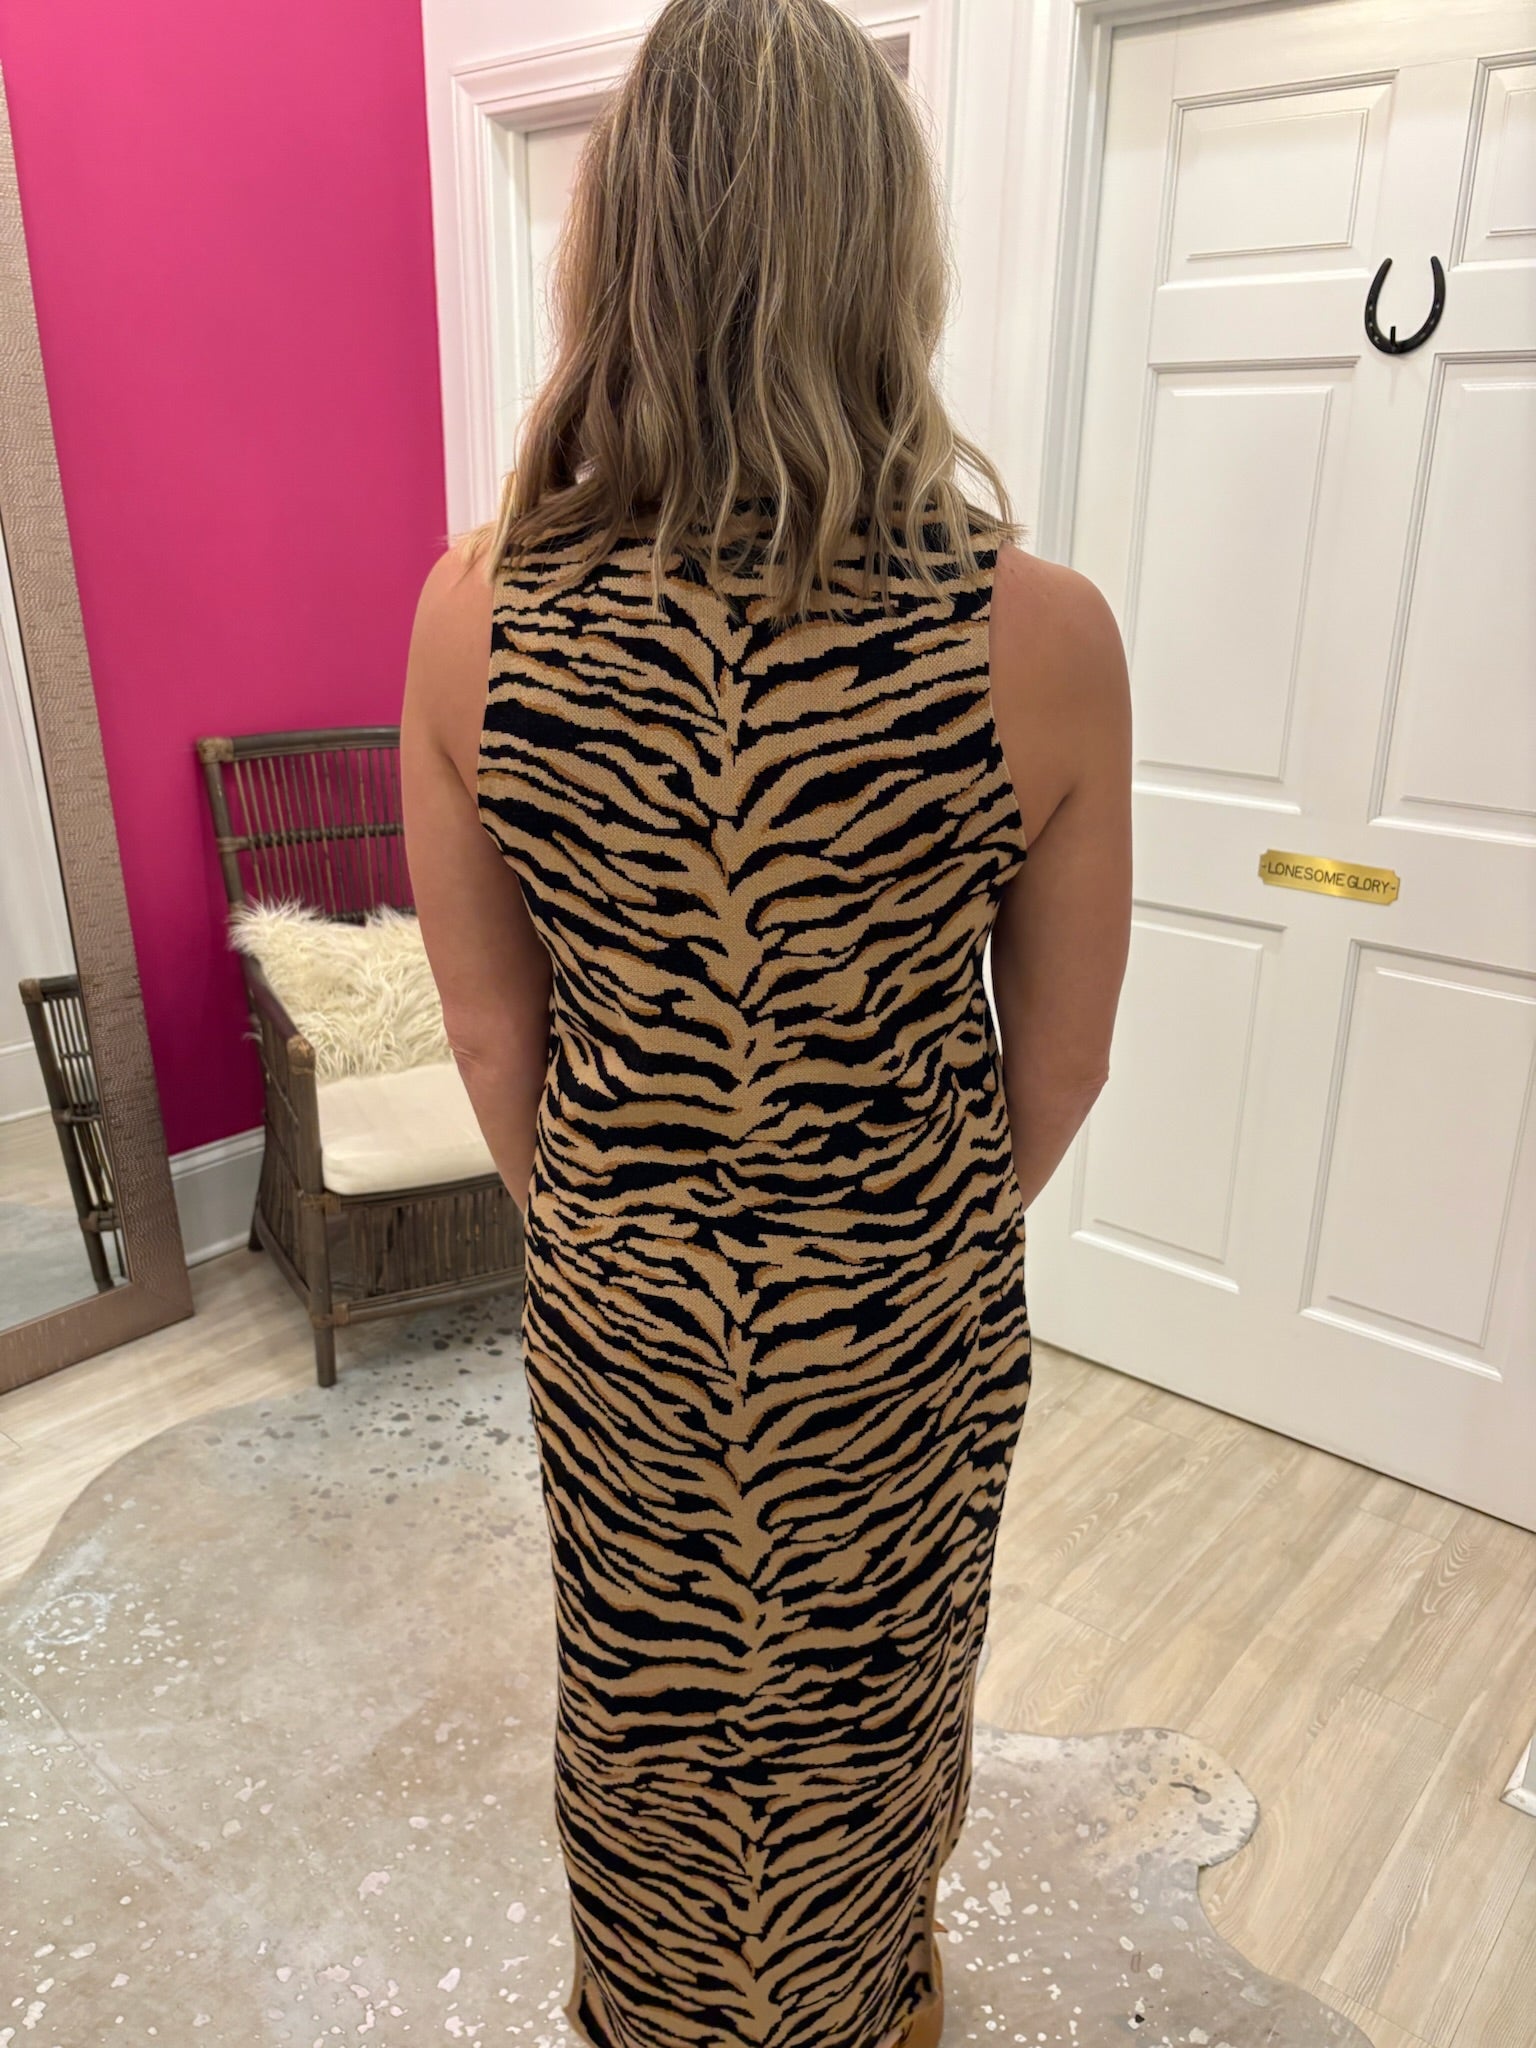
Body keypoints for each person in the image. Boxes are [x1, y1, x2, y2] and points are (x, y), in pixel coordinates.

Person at [400, 2, 1130, 2041]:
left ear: (615, 243)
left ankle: (646, 2011)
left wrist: (628, 1221)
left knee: (644, 1691)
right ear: (890, 251)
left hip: (627, 1297)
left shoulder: (473, 613)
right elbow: (1062, 1063)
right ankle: (868, 1989)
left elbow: (491, 1044)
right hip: (896, 1304)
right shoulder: (1041, 635)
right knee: (876, 1678)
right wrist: (887, 1233)